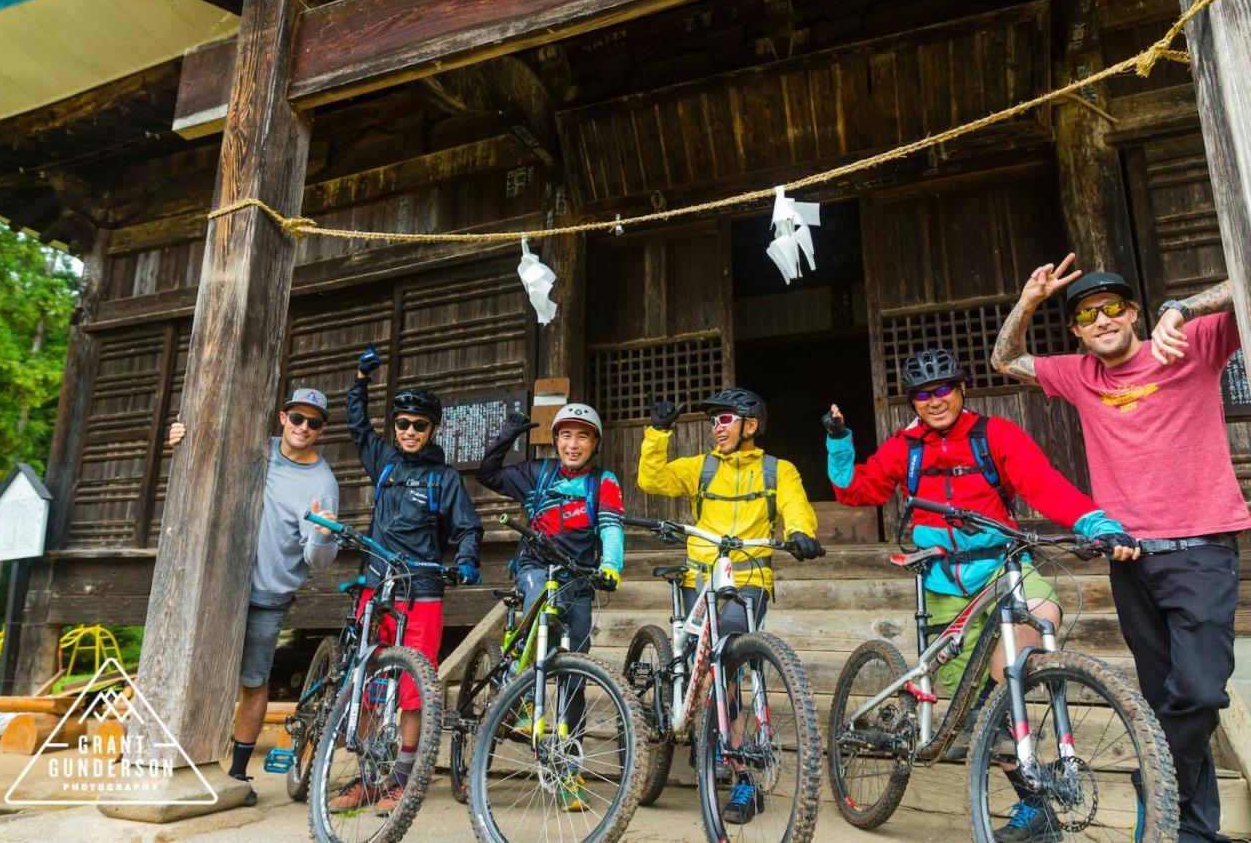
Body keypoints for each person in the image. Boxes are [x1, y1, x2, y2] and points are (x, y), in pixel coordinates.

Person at [825, 347, 1137, 841]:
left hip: (1003, 564)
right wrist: (840, 442)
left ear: (962, 388)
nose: (935, 400)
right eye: (923, 394)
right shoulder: (905, 448)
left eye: (943, 388)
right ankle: (1029, 796)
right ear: (913, 402)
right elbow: (855, 491)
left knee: (1039, 618)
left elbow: (1044, 486)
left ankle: (1013, 759)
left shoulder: (995, 436)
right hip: (942, 580)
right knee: (970, 701)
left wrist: (1096, 524)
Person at [994, 254, 1248, 843]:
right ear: (1078, 332)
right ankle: (1192, 830)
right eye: (1087, 315)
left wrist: (1180, 309)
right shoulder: (1080, 375)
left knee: (1200, 692)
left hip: (1201, 550)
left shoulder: (1191, 344)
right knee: (1162, 702)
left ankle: (1156, 781)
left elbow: (1246, 279)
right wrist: (1029, 301)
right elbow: (1004, 359)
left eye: (1113, 308)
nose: (1102, 319)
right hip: (1130, 559)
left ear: (1134, 313)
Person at [637, 387, 822, 824]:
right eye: (713, 420)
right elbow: (652, 479)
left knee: (729, 663)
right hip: (699, 575)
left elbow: (796, 508)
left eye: (725, 419)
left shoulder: (779, 470)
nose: (717, 427)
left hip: (748, 579)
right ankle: (686, 718)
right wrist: (658, 432)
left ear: (750, 425)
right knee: (690, 667)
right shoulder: (700, 467)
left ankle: (741, 772)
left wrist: (800, 532)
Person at [166, 388, 340, 806]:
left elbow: (320, 562)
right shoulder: (256, 449)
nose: (303, 428)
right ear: (282, 418)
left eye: (313, 423)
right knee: (196, 671)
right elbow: (206, 460)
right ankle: (178, 761)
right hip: (218, 587)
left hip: (269, 594)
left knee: (253, 681)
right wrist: (180, 443)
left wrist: (321, 534)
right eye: (297, 418)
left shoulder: (322, 483)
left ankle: (239, 773)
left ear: (322, 430)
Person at [330, 344, 483, 812]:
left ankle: (402, 779)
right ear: (394, 429)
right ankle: (367, 776)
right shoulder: (385, 464)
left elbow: (467, 527)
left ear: (431, 429)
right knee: (370, 684)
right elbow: (357, 427)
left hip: (423, 591)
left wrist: (469, 558)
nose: (410, 431)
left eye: (419, 425)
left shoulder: (445, 478)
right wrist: (359, 381)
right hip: (377, 588)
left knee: (415, 690)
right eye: (403, 424)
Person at [477, 403, 625, 811]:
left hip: (580, 577)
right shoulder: (537, 473)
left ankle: (568, 773)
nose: (572, 444)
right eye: (565, 435)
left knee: (574, 676)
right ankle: (520, 691)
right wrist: (507, 435)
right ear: (556, 439)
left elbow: (611, 527)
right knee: (543, 600)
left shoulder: (603, 481)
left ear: (594, 443)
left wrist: (610, 566)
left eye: (582, 436)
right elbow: (487, 474)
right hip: (535, 567)